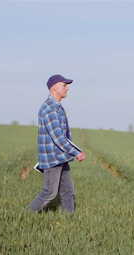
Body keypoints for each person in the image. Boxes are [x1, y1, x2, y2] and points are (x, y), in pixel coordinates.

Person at [27, 74, 86, 213]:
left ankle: (70, 219)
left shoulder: (57, 107)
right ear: (54, 88)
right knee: (49, 192)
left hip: (61, 157)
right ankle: (25, 215)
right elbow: (58, 138)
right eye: (64, 85)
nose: (67, 88)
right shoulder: (49, 109)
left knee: (68, 191)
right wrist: (76, 152)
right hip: (52, 158)